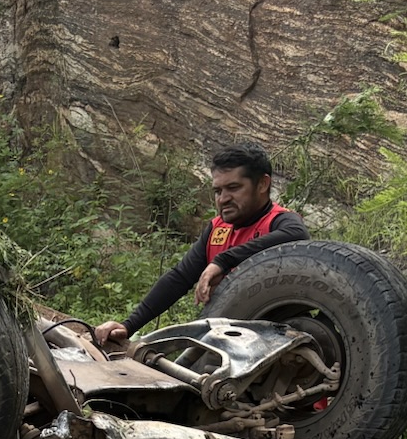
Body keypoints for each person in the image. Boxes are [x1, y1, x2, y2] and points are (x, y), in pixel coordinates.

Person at [93, 144, 309, 347]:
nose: (223, 199)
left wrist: (223, 261)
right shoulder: (217, 229)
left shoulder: (279, 221)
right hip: (223, 340)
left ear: (262, 184)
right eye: (217, 191)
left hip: (279, 341)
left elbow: (297, 234)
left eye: (233, 188)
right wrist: (128, 325)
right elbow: (179, 278)